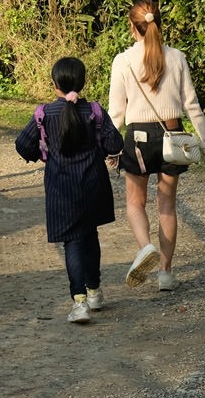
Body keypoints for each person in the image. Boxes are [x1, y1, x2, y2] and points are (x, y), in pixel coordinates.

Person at [108, 0, 205, 293]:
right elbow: (191, 104)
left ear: (132, 26)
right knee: (166, 205)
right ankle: (165, 274)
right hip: (174, 137)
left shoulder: (123, 61)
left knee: (134, 203)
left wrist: (106, 145)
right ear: (158, 24)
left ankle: (145, 249)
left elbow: (116, 112)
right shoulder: (177, 57)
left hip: (139, 140)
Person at [15, 56, 124, 324]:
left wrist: (41, 154)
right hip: (93, 184)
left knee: (72, 242)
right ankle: (95, 290)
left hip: (61, 189)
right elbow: (114, 143)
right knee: (90, 236)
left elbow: (22, 145)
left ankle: (79, 302)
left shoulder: (43, 114)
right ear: (83, 82)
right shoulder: (95, 111)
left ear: (54, 85)